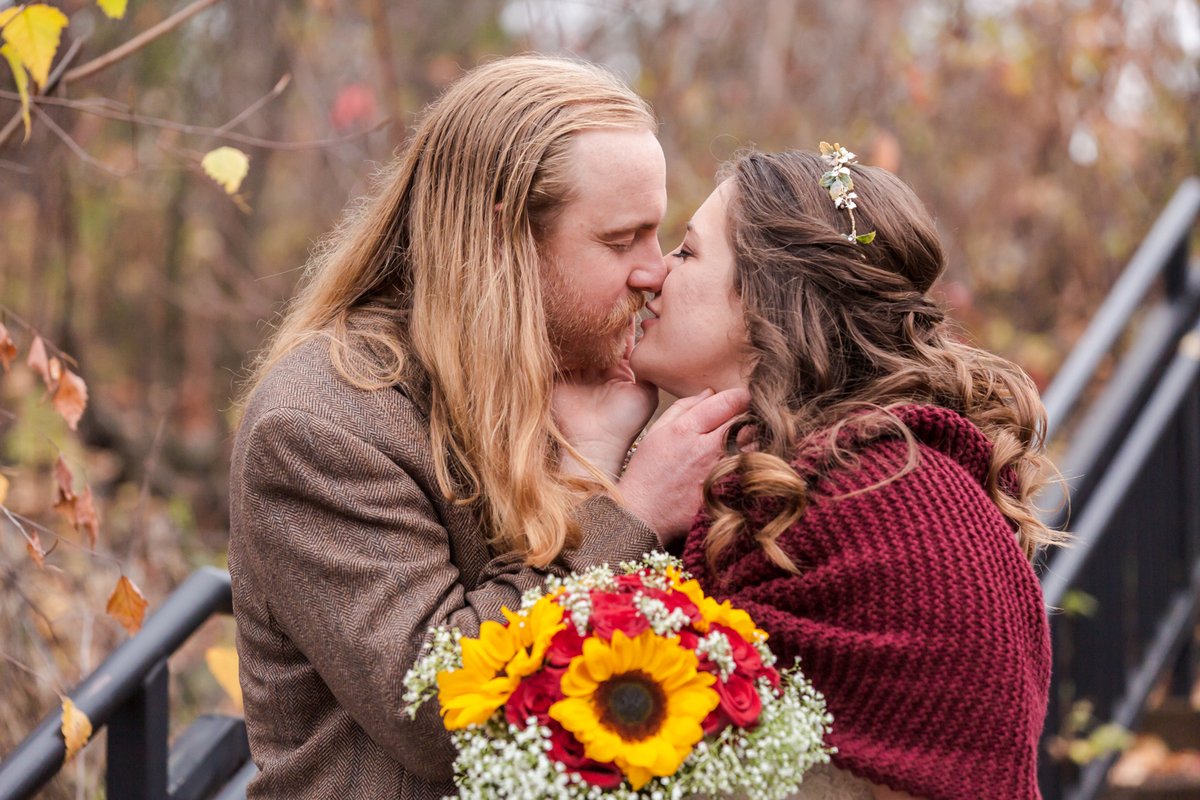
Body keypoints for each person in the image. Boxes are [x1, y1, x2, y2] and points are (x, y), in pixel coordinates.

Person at [227, 55, 747, 800]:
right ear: (501, 235)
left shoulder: (579, 367)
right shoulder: (322, 423)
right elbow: (438, 712)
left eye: (658, 234)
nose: (654, 270)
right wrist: (620, 507)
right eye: (619, 239)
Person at [576, 146, 1062, 799]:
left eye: (687, 252)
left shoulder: (898, 497)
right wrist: (606, 455)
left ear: (768, 297)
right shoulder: (764, 480)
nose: (652, 273)